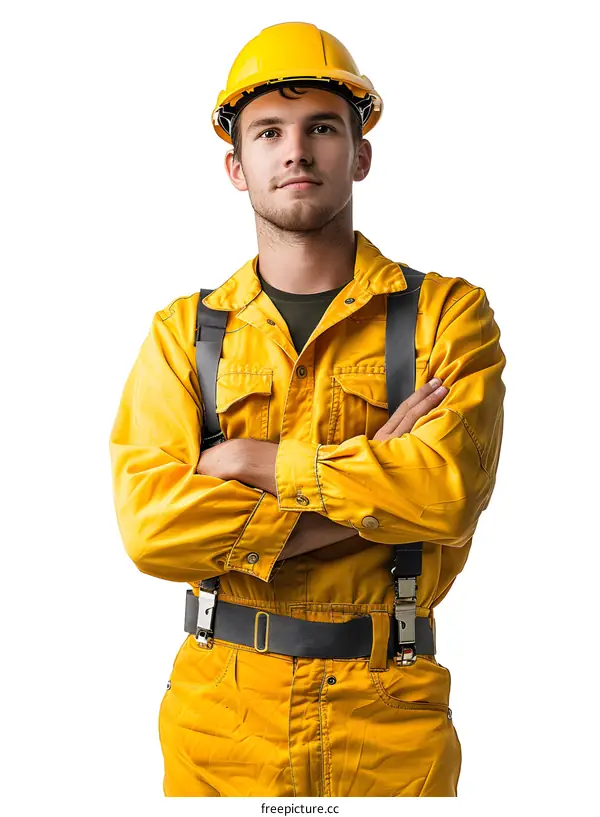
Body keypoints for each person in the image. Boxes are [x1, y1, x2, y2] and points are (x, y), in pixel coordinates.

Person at [109, 21, 506, 798]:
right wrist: (373, 497)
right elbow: (151, 529)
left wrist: (255, 461)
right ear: (237, 165)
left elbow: (448, 491)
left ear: (359, 155)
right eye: (269, 132)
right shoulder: (181, 334)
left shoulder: (446, 317)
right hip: (220, 718)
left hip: (389, 717)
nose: (297, 150)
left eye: (323, 127)